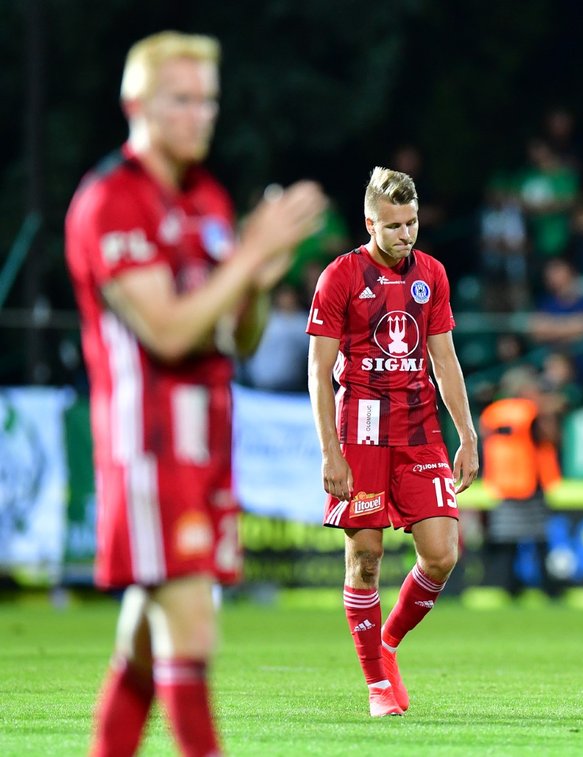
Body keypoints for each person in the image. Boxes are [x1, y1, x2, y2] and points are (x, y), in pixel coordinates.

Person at [64, 31, 327, 756]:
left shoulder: (206, 199)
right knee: (193, 622)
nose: (198, 115)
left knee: (147, 647)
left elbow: (233, 338)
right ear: (136, 103)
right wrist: (244, 256)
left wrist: (258, 277)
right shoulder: (111, 201)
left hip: (205, 443)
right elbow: (170, 331)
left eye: (207, 100)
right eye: (180, 99)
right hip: (148, 445)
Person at [306, 166, 478, 718]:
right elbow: (319, 369)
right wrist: (331, 450)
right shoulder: (339, 277)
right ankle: (378, 685)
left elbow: (444, 359)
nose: (406, 234)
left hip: (420, 425)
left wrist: (467, 434)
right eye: (395, 225)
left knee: (443, 553)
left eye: (413, 223)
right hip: (361, 427)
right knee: (366, 556)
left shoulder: (432, 274)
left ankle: (388, 642)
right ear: (369, 222)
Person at [479, 367, 562, 600]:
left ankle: (508, 588)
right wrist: (548, 412)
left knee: (507, 543)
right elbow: (549, 438)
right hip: (528, 484)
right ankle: (548, 589)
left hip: (503, 485)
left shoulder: (493, 413)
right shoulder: (530, 412)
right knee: (540, 542)